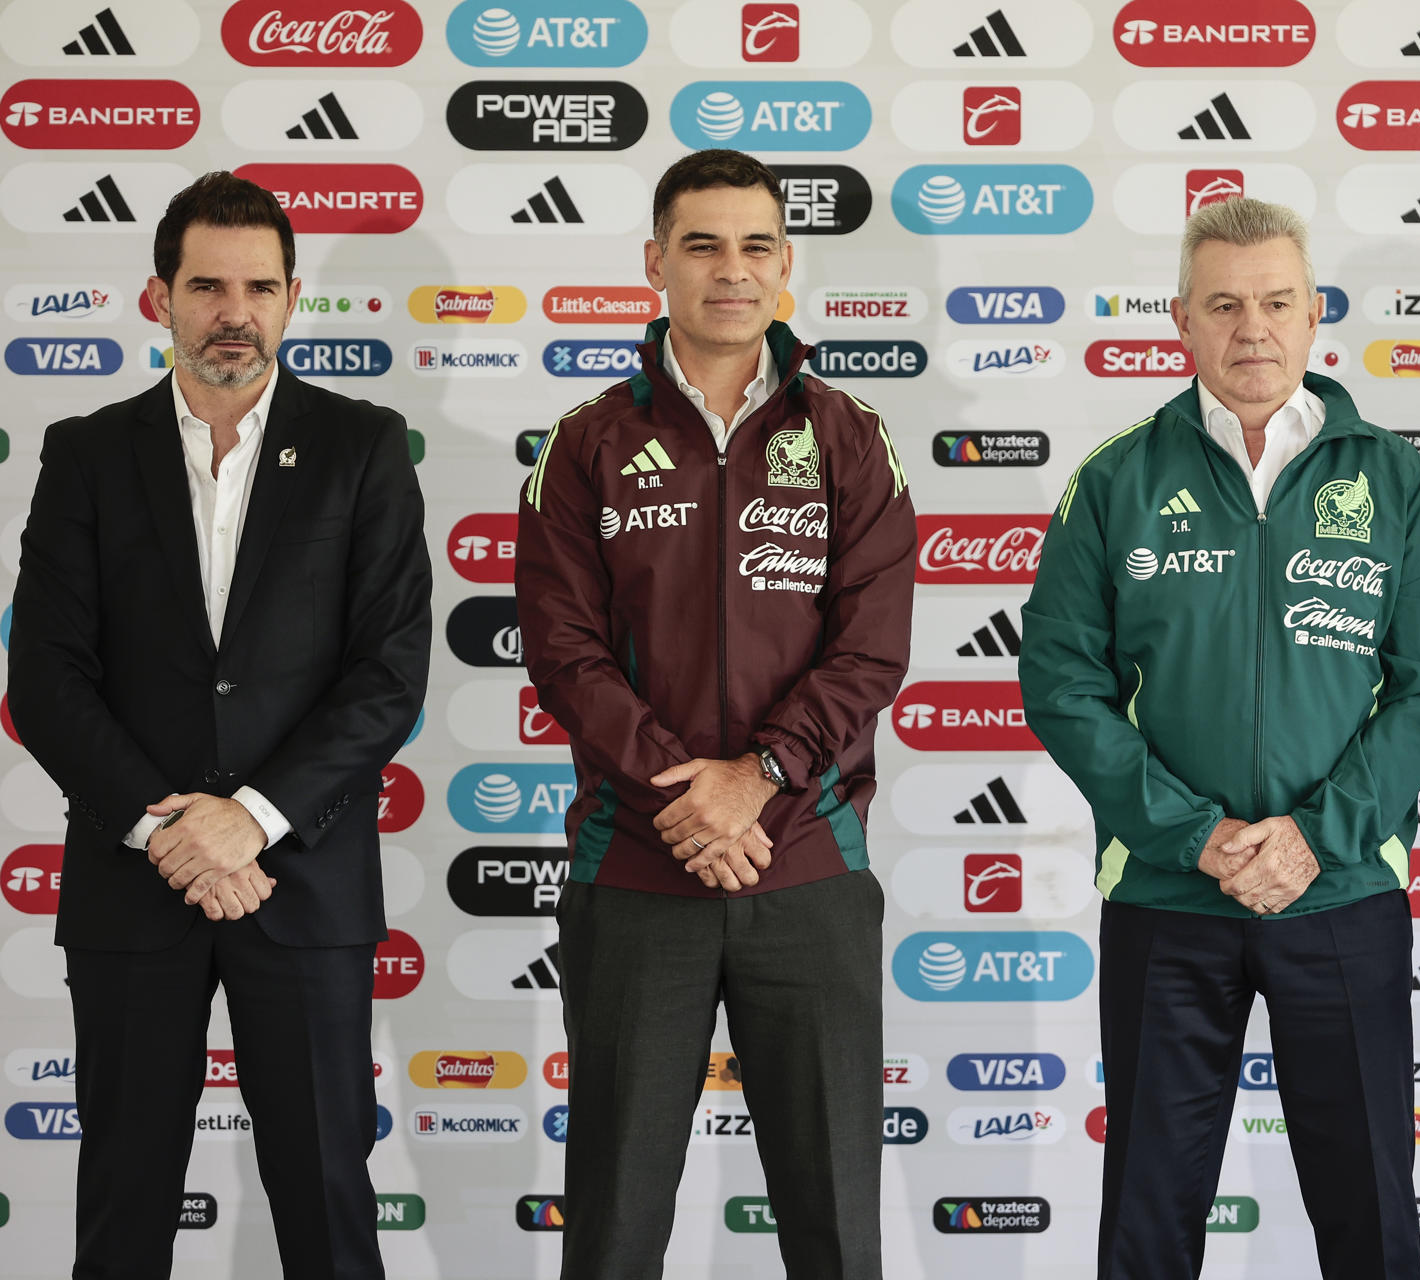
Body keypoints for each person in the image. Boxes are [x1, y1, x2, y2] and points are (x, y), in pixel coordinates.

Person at [1020, 197, 1420, 1280]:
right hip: (1168, 900)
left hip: (1344, 893)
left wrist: (1318, 836)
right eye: (1224, 304)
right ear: (1180, 319)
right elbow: (1059, 679)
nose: (1252, 328)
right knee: (1148, 1212)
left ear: (1315, 314)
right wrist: (1194, 833)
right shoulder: (1118, 479)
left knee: (1370, 1208)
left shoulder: (1389, 476)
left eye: (1276, 301)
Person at [7, 171, 432, 1279]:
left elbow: (386, 672)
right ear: (160, 298)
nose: (231, 310)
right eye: (206, 285)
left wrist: (247, 819)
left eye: (257, 285)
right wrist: (169, 832)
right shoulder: (86, 452)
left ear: (293, 299)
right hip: (132, 883)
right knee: (124, 1203)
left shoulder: (364, 447)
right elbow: (47, 676)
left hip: (304, 879)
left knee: (330, 1197)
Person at [514, 148, 915, 1280]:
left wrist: (762, 775)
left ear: (786, 265)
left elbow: (872, 645)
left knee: (836, 1229)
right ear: (655, 262)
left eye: (754, 246)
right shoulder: (585, 440)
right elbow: (565, 651)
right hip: (638, 870)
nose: (730, 270)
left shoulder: (849, 434)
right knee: (614, 1226)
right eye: (701, 244)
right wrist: (687, 792)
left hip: (808, 871)